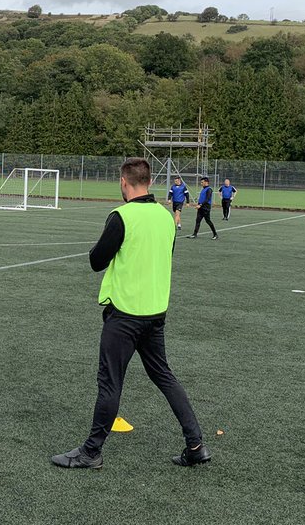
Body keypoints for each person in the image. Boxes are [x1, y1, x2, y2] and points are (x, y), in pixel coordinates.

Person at [51, 157, 209, 470]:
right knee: (164, 376)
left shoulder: (122, 216)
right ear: (149, 182)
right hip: (155, 312)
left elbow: (97, 260)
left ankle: (92, 451)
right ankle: (196, 445)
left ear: (124, 183)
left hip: (124, 314)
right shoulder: (165, 217)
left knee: (110, 383)